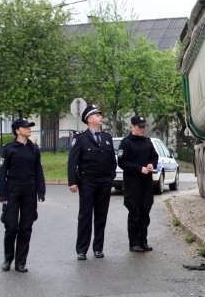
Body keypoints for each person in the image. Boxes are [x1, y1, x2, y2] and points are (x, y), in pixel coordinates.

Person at [67, 104, 117, 260]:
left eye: (100, 115)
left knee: (101, 216)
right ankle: (82, 249)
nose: (100, 117)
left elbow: (112, 161)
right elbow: (72, 162)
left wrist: (110, 177)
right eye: (97, 115)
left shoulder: (107, 138)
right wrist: (73, 182)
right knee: (85, 216)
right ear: (89, 119)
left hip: (104, 182)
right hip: (87, 181)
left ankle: (98, 248)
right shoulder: (80, 139)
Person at [0, 118, 45, 273]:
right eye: (26, 127)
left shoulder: (34, 149)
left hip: (29, 191)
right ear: (18, 130)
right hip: (13, 190)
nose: (29, 129)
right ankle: (8, 259)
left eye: (30, 127)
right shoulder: (8, 148)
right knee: (11, 226)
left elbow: (39, 171)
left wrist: (41, 191)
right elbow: (2, 173)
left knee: (26, 227)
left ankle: (21, 262)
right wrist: (2, 195)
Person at [116, 115, 159, 252]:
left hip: (146, 182)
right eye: (139, 126)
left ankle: (143, 241)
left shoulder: (147, 142)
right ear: (133, 127)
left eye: (143, 126)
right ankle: (134, 242)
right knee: (135, 212)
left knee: (145, 210)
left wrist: (152, 164)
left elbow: (154, 156)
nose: (142, 129)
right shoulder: (126, 142)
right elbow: (122, 162)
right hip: (133, 182)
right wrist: (139, 169)